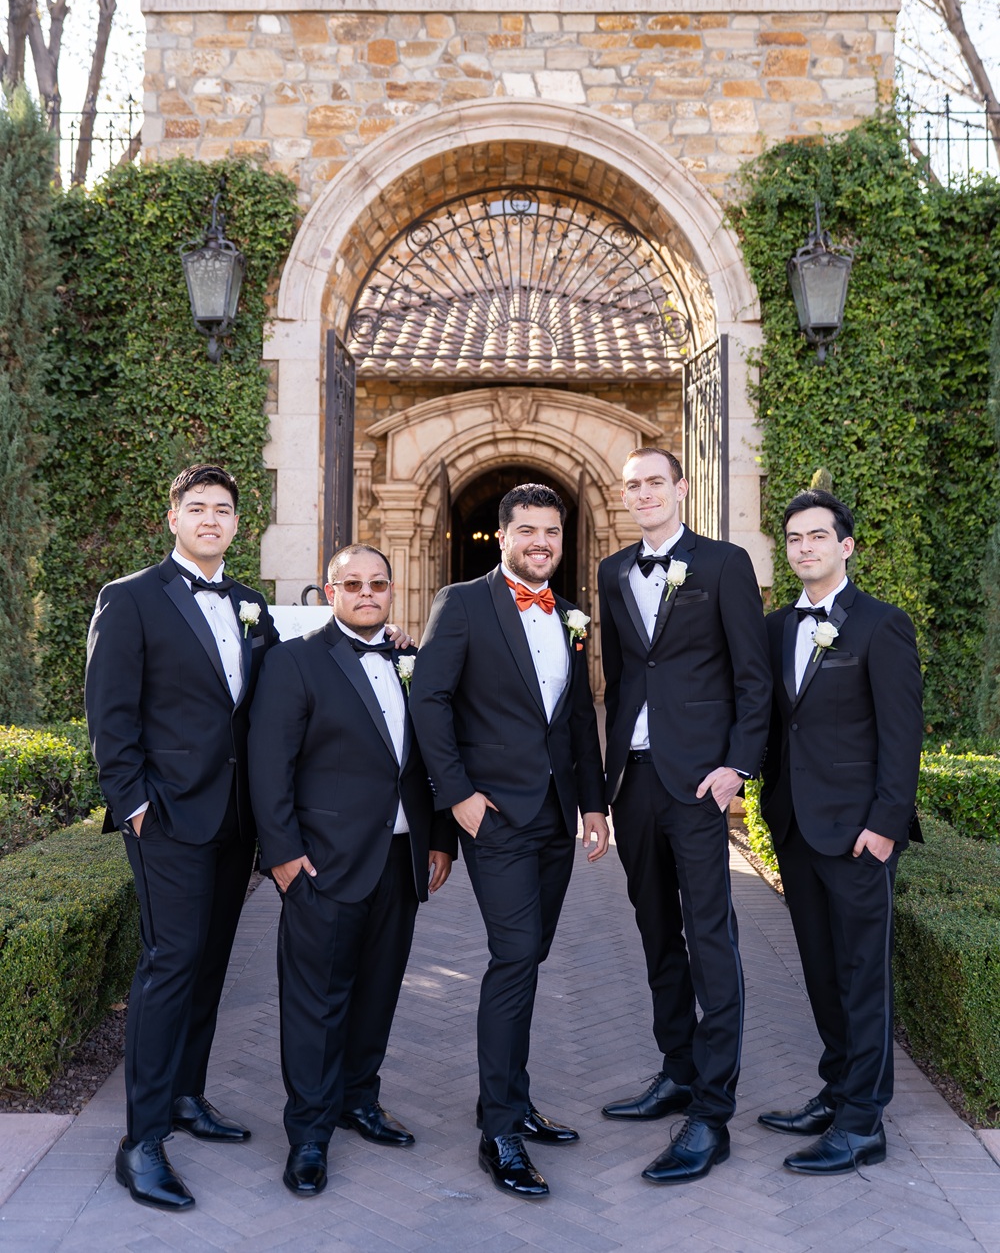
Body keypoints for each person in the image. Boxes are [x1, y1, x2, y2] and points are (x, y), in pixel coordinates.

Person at [85, 463, 278, 1212]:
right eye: (197, 508)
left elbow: (272, 697)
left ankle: (188, 1096)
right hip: (165, 816)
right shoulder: (131, 597)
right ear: (173, 518)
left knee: (209, 964)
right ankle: (141, 1141)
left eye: (223, 509)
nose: (210, 519)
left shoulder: (251, 603)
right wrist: (133, 803)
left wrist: (384, 642)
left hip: (235, 820)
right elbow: (110, 712)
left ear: (236, 523)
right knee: (169, 965)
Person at [409, 483, 609, 1200]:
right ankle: (499, 1130)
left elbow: (576, 714)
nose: (541, 543)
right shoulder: (463, 603)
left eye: (552, 531)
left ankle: (512, 1098)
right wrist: (458, 795)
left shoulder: (569, 614)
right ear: (503, 536)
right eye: (527, 530)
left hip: (556, 816)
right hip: (493, 817)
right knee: (515, 955)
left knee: (530, 957)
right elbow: (429, 699)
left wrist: (595, 804)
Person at [248, 544, 456, 1198]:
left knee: (378, 991)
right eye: (354, 584)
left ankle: (358, 1099)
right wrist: (282, 855)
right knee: (316, 1003)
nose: (368, 593)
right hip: (323, 864)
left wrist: (439, 837)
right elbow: (269, 765)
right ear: (331, 591)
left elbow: (430, 757)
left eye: (378, 584)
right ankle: (309, 1135)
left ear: (392, 591)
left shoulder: (410, 660)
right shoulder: (293, 662)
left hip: (400, 859)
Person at [598, 447, 771, 1185]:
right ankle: (676, 1069)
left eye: (654, 482)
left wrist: (739, 766)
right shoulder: (612, 571)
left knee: (710, 936)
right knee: (655, 930)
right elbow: (620, 674)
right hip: (634, 782)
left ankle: (712, 1110)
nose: (643, 493)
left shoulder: (725, 564)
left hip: (701, 782)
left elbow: (753, 676)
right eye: (632, 485)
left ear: (681, 488)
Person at [757, 489, 922, 1175]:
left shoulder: (882, 625)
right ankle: (836, 1090)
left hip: (858, 835)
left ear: (845, 546)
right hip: (796, 829)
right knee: (822, 972)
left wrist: (885, 825)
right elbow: (773, 722)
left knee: (862, 976)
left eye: (818, 536)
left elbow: (902, 734)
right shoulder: (775, 627)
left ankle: (862, 1124)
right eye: (795, 538)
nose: (805, 548)